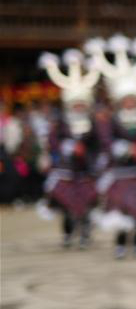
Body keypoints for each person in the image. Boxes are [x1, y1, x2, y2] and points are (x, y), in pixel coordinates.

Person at [85, 36, 136, 259]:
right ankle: (120, 244)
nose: (129, 102)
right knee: (122, 210)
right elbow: (107, 142)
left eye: (132, 99)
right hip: (122, 171)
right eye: (126, 99)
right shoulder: (112, 120)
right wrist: (125, 149)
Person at [38, 51, 103, 248]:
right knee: (66, 205)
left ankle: (85, 232)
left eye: (81, 104)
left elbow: (98, 144)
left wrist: (89, 154)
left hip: (86, 169)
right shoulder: (61, 123)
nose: (78, 107)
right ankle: (67, 233)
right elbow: (53, 141)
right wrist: (67, 147)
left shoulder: (92, 123)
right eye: (75, 105)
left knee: (86, 204)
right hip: (65, 169)